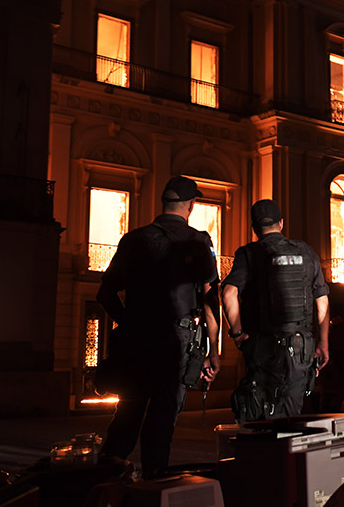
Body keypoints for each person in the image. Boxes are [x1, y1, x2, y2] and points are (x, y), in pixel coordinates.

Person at [96, 176, 220, 478]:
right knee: (161, 423)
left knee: (126, 415)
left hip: (135, 344)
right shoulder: (198, 241)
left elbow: (105, 293)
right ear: (190, 206)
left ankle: (104, 484)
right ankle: (154, 484)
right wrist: (212, 351)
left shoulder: (134, 239)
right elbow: (209, 300)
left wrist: (129, 322)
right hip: (175, 345)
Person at [222, 199, 330, 421]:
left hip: (263, 346)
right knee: (290, 414)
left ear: (254, 228)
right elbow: (322, 301)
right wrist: (323, 343)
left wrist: (237, 333)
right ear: (281, 223)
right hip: (301, 348)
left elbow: (228, 293)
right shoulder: (307, 253)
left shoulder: (249, 254)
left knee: (259, 412)